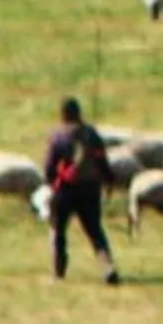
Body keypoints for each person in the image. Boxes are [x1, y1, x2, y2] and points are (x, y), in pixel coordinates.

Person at [42, 96, 119, 285]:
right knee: (95, 231)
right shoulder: (91, 133)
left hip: (65, 189)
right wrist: (109, 180)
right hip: (90, 189)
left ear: (63, 114)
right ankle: (108, 268)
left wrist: (52, 184)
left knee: (59, 231)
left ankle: (58, 274)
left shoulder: (58, 136)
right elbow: (102, 160)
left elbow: (50, 166)